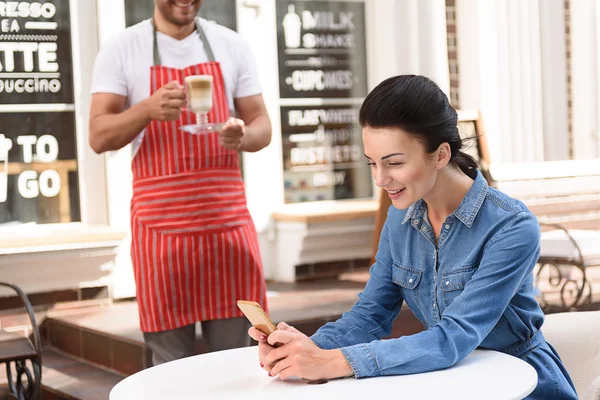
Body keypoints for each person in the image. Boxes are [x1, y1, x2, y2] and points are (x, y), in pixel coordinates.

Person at [248, 75, 577, 399]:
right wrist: (305, 347)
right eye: (372, 164)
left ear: (441, 154)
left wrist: (333, 362)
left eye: (394, 163)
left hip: (521, 384)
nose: (380, 178)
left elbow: (455, 337)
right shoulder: (400, 217)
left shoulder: (511, 227)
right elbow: (371, 314)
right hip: (451, 380)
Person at [89, 0, 271, 366]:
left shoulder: (231, 44)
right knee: (169, 371)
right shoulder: (122, 48)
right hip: (161, 232)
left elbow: (262, 126)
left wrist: (243, 136)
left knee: (237, 361)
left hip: (227, 231)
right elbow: (98, 136)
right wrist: (146, 109)